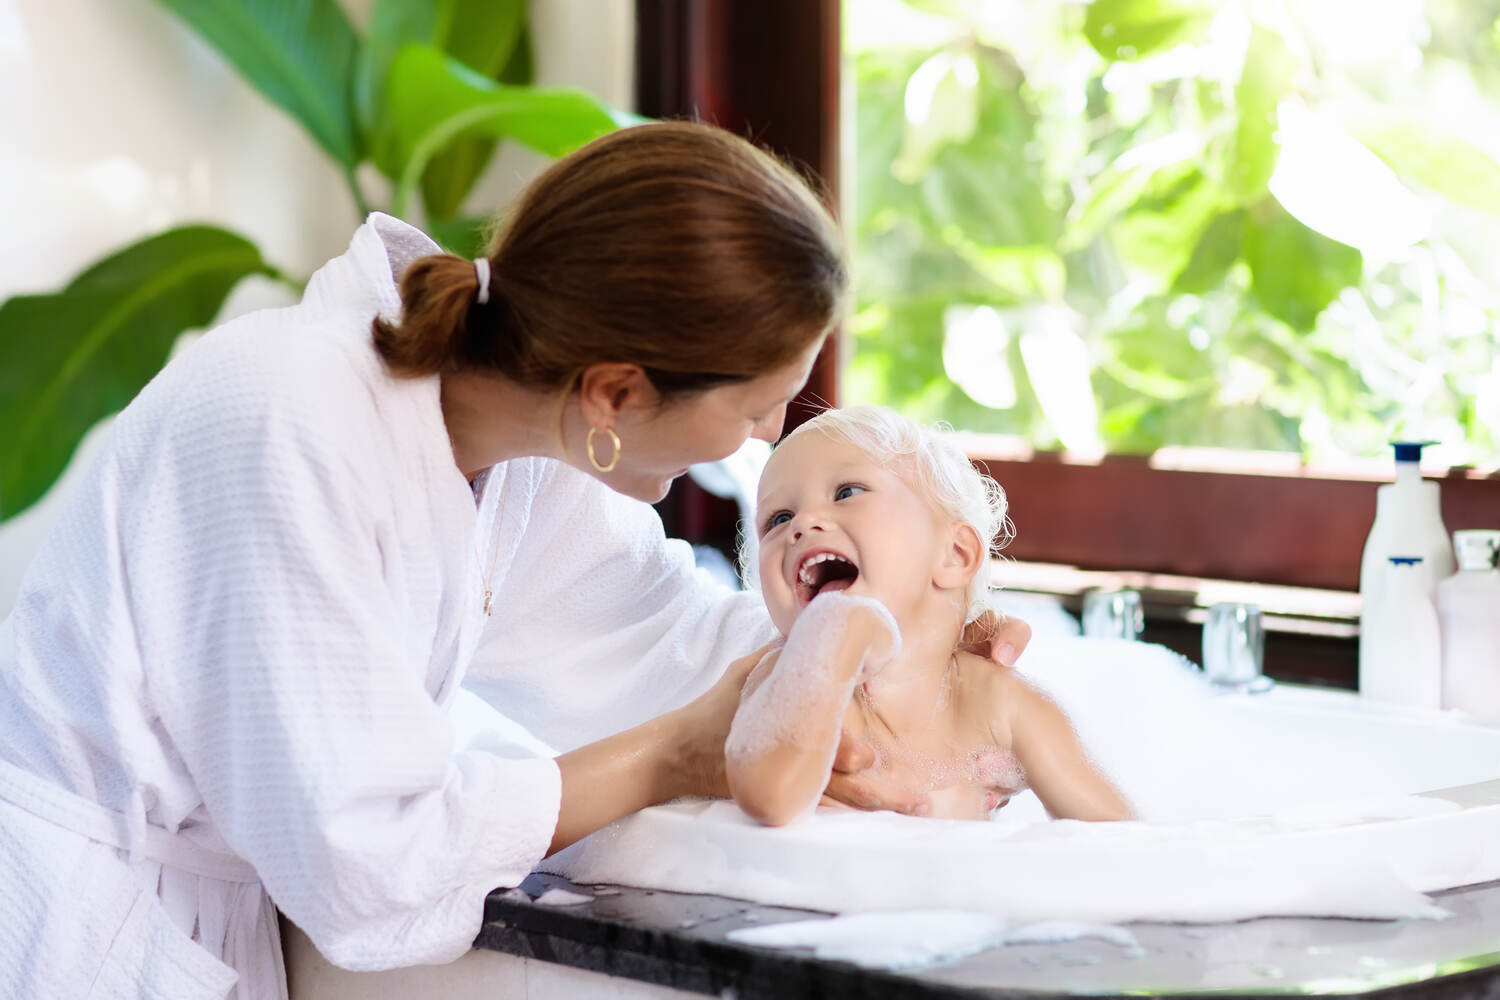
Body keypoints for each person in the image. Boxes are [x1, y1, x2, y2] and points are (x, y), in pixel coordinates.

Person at [0, 122, 1031, 1000]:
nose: (764, 437)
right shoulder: (289, 428)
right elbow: (369, 862)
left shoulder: (523, 450)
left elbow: (656, 635)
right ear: (618, 395)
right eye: (757, 403)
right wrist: (673, 755)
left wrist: (908, 653)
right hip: (62, 926)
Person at [726, 406, 1132, 825]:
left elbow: (1123, 840)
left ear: (954, 555)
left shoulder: (1001, 705)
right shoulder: (795, 680)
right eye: (778, 518)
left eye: (847, 492)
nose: (802, 524)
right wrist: (829, 643)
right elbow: (767, 798)